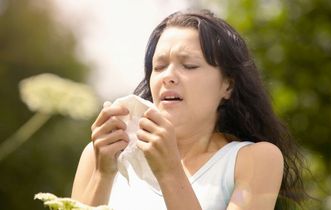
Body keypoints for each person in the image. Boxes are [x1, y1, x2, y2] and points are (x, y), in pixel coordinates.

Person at [71, 9, 306, 210]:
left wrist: (170, 172)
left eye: (189, 65)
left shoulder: (255, 159)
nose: (168, 77)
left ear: (228, 85)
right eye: (159, 66)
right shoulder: (98, 155)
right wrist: (103, 175)